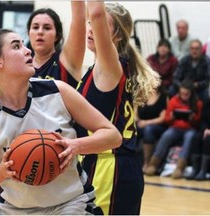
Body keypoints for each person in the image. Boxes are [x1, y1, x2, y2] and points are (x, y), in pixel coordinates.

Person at [0, 2, 123, 214]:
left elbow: (113, 136)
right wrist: (1, 172)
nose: (27, 49)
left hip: (70, 203)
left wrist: (75, 145)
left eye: (23, 44)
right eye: (16, 46)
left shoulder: (58, 90)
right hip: (13, 209)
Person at [74, 2, 160, 215]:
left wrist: (95, 14)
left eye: (97, 24)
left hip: (110, 167)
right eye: (88, 24)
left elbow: (95, 11)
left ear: (117, 36)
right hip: (109, 164)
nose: (91, 28)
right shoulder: (101, 68)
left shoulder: (110, 66)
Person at [0, 1, 86, 88]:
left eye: (47, 28)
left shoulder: (67, 62)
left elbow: (79, 20)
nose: (40, 32)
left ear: (57, 35)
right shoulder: (17, 62)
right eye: (35, 27)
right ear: (28, 32)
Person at [144, 80, 203, 179]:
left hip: (190, 128)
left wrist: (193, 118)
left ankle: (179, 168)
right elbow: (167, 120)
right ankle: (153, 164)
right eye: (182, 93)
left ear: (191, 93)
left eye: (186, 94)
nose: (184, 96)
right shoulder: (173, 100)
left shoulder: (197, 103)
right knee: (167, 135)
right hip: (175, 127)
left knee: (189, 137)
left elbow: (199, 122)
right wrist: (171, 117)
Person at [135, 85, 168, 172]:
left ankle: (147, 162)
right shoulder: (142, 95)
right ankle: (130, 161)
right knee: (131, 128)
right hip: (141, 123)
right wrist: (137, 120)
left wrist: (146, 123)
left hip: (157, 126)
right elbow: (135, 113)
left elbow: (162, 118)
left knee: (148, 130)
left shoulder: (163, 97)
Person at [186, 96, 210, 180]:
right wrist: (205, 129)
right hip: (207, 131)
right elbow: (203, 120)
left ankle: (204, 170)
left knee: (208, 140)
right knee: (195, 138)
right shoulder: (207, 101)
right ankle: (195, 169)